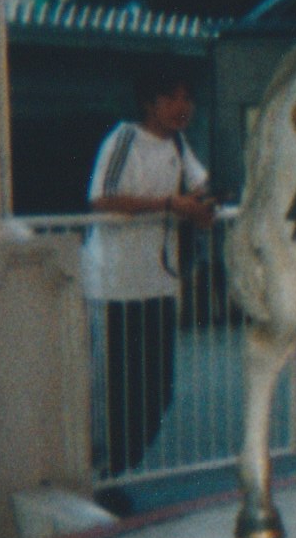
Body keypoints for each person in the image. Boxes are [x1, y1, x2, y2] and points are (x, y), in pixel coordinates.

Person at [84, 63, 213, 493]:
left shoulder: (178, 142)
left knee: (158, 388)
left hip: (159, 283)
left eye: (187, 98)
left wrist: (203, 206)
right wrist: (170, 205)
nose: (183, 106)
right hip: (115, 286)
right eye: (171, 97)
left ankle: (119, 469)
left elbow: (199, 186)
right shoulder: (124, 138)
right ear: (149, 103)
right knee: (114, 390)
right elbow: (102, 198)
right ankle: (102, 476)